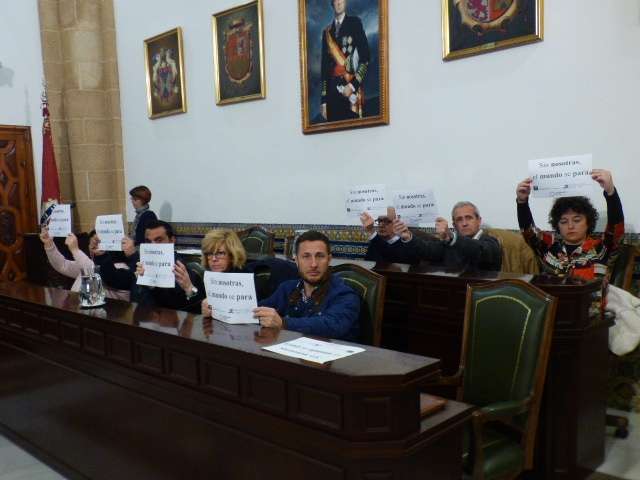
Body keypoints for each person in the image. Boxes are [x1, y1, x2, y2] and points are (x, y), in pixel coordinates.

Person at [201, 230, 360, 341]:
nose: (313, 264)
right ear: (296, 261)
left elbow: (331, 325)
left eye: (320, 256)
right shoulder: (288, 288)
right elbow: (255, 310)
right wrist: (218, 308)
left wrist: (283, 323)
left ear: (329, 259)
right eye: (306, 257)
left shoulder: (345, 294)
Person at [516, 169, 624, 280]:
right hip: (549, 291)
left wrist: (610, 192)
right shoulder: (549, 247)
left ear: (588, 222)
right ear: (557, 225)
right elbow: (528, 231)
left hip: (590, 292)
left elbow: (616, 228)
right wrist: (522, 202)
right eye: (564, 221)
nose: (570, 226)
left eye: (577, 220)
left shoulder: (601, 249)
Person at [394, 202, 502, 271]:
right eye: (459, 220)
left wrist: (452, 238)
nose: (464, 223)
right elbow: (427, 250)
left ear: (479, 221)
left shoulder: (490, 242)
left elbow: (479, 250)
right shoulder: (449, 243)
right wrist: (408, 237)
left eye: (469, 218)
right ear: (454, 225)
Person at [39, 226, 129, 300]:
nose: (94, 246)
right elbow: (62, 265)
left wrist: (75, 250)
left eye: (98, 243)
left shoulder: (123, 271)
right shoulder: (88, 263)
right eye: (92, 243)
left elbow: (97, 273)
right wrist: (49, 244)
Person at [133, 220, 201, 312]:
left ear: (172, 241)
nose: (153, 246)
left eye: (158, 240)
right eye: (148, 241)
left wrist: (152, 287)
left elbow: (175, 306)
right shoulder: (141, 264)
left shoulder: (181, 270)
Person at [320, 0, 370, 121]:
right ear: (332, 4)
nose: (338, 3)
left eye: (341, 0)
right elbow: (324, 69)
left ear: (345, 2)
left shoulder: (355, 23)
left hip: (351, 92)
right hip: (332, 96)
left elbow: (365, 58)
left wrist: (352, 86)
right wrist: (324, 100)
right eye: (335, 0)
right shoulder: (327, 33)